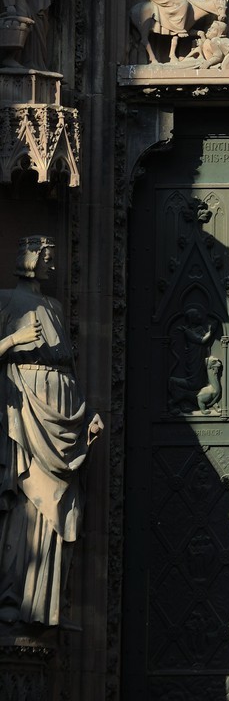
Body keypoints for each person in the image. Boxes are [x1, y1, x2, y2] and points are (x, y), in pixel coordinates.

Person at [0, 236, 103, 625]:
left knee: (60, 504)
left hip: (63, 416)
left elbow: (69, 367)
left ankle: (44, 605)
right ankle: (14, 598)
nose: (52, 264)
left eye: (54, 258)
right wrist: (14, 339)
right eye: (46, 257)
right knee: (28, 502)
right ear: (28, 257)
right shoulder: (5, 300)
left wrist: (87, 414)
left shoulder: (55, 306)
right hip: (26, 412)